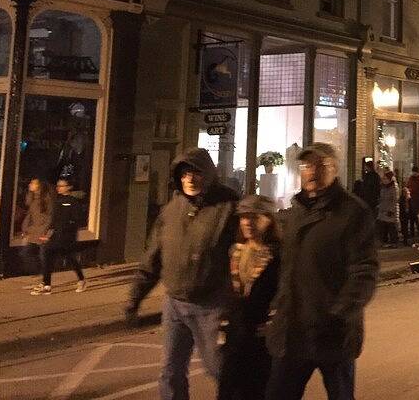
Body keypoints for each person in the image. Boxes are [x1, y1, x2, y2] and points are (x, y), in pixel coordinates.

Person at [265, 143, 377, 400]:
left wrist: (339, 314)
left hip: (332, 332)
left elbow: (364, 271)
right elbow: (284, 267)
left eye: (320, 165)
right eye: (306, 165)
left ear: (334, 169)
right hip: (293, 330)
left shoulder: (353, 213)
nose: (312, 171)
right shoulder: (294, 213)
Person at [126, 148, 239, 400]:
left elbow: (246, 250)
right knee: (171, 372)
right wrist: (135, 298)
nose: (190, 179)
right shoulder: (171, 211)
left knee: (219, 368)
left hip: (212, 305)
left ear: (208, 174)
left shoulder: (228, 207)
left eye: (196, 172)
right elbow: (153, 258)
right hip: (175, 305)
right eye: (184, 174)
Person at [218, 195, 281, 400]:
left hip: (261, 340)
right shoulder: (235, 253)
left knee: (256, 391)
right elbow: (229, 294)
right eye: (243, 217)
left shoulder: (277, 256)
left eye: (254, 217)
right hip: (235, 337)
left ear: (269, 219)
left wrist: (274, 323)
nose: (247, 222)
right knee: (228, 391)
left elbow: (284, 295)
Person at [31, 177, 86, 295]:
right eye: (58, 186)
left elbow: (77, 219)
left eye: (62, 186)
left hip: (68, 236)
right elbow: (54, 219)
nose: (59, 188)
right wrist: (47, 232)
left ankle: (81, 279)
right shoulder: (57, 201)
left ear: (69, 187)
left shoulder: (73, 202)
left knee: (70, 258)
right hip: (56, 235)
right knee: (47, 254)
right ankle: (47, 285)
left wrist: (69, 226)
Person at [21, 178, 53, 289]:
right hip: (33, 231)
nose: (30, 185)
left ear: (39, 185)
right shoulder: (32, 198)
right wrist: (25, 228)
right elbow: (30, 215)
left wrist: (45, 231)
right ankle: (39, 275)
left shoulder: (46, 199)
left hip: (43, 232)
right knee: (26, 253)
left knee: (43, 256)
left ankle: (45, 282)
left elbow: (50, 217)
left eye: (33, 183)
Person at [376, 169, 400, 246]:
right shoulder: (383, 187)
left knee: (391, 226)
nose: (384, 180)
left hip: (390, 210)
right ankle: (383, 241)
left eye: (385, 178)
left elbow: (395, 200)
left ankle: (394, 242)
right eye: (383, 178)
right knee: (382, 225)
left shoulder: (394, 187)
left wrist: (391, 210)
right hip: (383, 209)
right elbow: (381, 198)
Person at [406, 166, 419, 240]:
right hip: (411, 199)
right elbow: (408, 186)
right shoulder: (412, 178)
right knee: (412, 216)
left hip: (416, 199)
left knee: (413, 215)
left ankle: (416, 230)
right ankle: (416, 230)